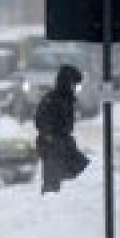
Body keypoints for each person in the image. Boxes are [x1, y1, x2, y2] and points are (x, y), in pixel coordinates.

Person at [34, 64, 89, 194]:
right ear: (68, 83)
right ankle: (51, 204)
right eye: (74, 85)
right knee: (52, 182)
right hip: (52, 145)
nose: (76, 88)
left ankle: (63, 198)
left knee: (80, 170)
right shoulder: (52, 99)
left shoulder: (67, 99)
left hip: (63, 142)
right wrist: (50, 136)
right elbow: (40, 120)